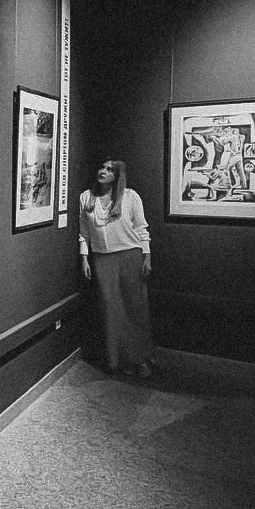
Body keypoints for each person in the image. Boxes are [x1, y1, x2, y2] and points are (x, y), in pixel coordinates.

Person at [78, 159, 157, 377]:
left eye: (109, 169)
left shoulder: (130, 197)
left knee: (135, 308)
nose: (103, 171)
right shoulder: (86, 197)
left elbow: (141, 228)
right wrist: (84, 258)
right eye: (101, 167)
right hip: (103, 259)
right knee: (112, 309)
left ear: (117, 176)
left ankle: (141, 358)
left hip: (130, 255)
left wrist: (147, 256)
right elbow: (84, 232)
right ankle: (119, 359)